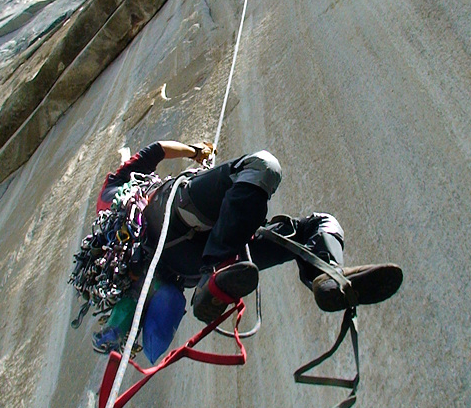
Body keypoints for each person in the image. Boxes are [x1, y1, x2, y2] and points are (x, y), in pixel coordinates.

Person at [94, 140, 402, 329]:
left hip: (189, 266)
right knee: (262, 165)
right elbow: (156, 150)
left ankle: (326, 278)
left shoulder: (112, 231)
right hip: (172, 213)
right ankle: (221, 266)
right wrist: (197, 151)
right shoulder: (117, 183)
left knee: (313, 226)